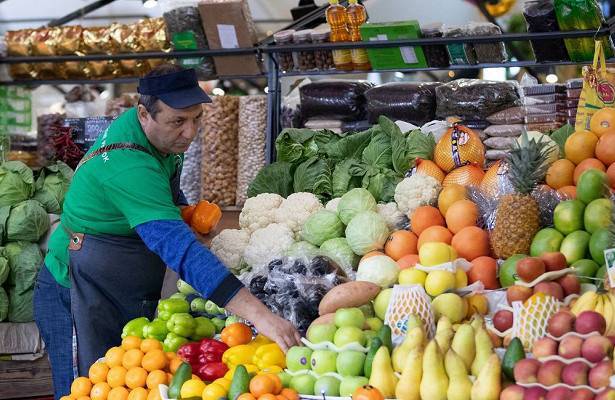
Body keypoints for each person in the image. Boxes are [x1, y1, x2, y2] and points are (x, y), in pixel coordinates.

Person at [34, 64, 301, 400]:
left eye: (196, 119)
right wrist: (261, 315)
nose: (190, 133)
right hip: (75, 290)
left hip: (119, 281)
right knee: (88, 389)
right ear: (144, 114)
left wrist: (188, 215)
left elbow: (168, 199)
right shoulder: (128, 164)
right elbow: (178, 249)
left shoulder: (158, 139)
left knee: (127, 385)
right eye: (178, 121)